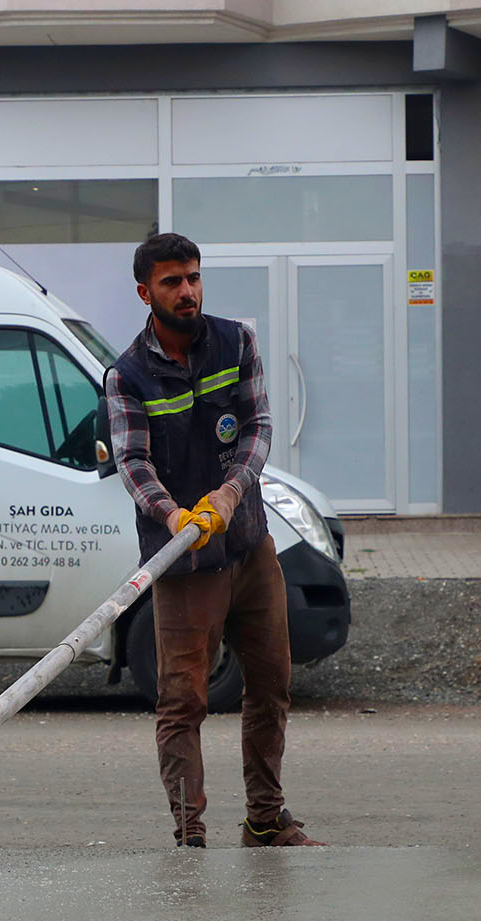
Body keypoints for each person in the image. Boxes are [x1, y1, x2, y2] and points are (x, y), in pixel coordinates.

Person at [104, 232, 323, 849]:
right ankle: (189, 837)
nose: (188, 291)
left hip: (249, 547)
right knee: (183, 702)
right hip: (184, 564)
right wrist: (173, 516)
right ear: (146, 292)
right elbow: (132, 462)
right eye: (172, 282)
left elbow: (257, 427)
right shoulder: (127, 375)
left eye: (194, 278)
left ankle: (265, 819)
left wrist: (230, 494)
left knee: (272, 684)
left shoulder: (236, 342)